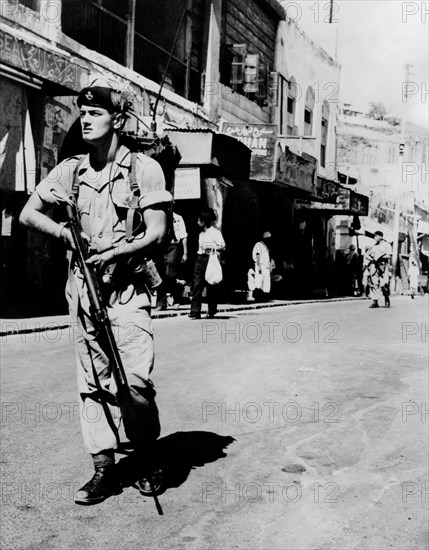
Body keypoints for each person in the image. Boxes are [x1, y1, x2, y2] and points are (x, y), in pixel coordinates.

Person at [19, 83, 173, 505]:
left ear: (117, 120)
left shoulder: (144, 169)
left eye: (96, 113)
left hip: (126, 291)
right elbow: (28, 213)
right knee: (92, 384)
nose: (85, 118)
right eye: (82, 112)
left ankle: (146, 453)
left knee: (135, 383)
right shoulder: (70, 170)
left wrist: (114, 254)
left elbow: (157, 233)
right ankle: (103, 467)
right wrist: (65, 233)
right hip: (84, 292)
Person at [189, 208, 225, 319]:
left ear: (204, 221)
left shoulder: (215, 233)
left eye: (199, 220)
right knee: (197, 285)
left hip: (210, 259)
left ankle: (212, 310)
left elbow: (222, 246)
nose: (197, 222)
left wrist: (211, 246)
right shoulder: (200, 234)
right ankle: (195, 311)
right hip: (200, 259)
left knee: (211, 285)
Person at [155, 209, 188, 309]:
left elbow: (183, 236)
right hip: (161, 247)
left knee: (170, 273)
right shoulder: (159, 217)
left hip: (173, 246)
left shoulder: (178, 218)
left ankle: (177, 298)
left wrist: (185, 253)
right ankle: (161, 303)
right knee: (160, 275)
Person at [364, 231, 392, 308]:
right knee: (373, 283)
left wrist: (379, 257)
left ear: (381, 237)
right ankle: (375, 301)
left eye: (376, 236)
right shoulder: (373, 246)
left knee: (384, 284)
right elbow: (367, 255)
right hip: (374, 266)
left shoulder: (387, 245)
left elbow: (389, 255)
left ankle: (386, 299)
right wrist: (372, 258)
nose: (374, 238)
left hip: (383, 266)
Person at [249, 231, 272, 301]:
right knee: (259, 282)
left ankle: (265, 296)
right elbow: (257, 256)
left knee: (266, 283)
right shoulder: (258, 245)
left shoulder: (266, 246)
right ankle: (259, 297)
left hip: (266, 268)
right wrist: (259, 268)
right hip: (260, 267)